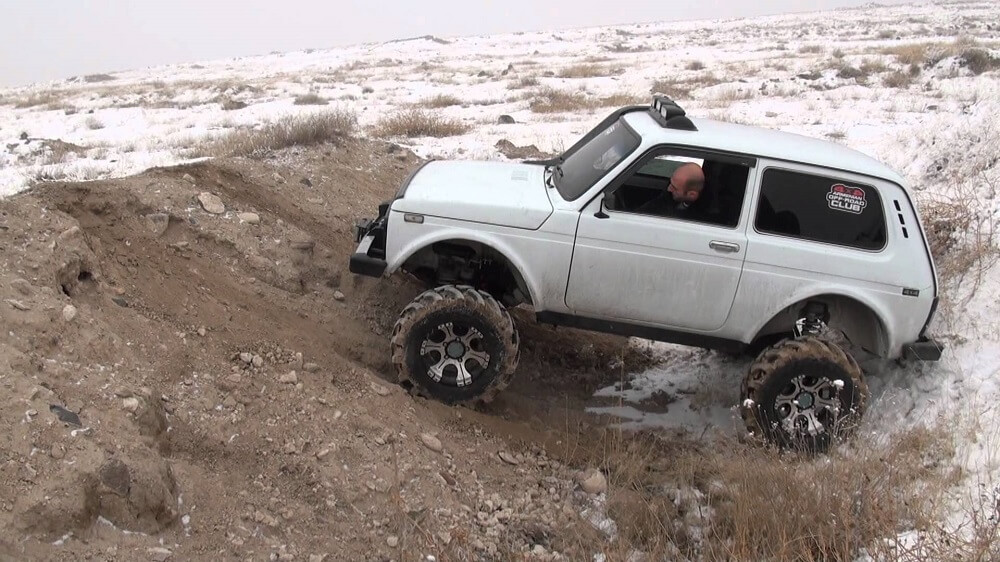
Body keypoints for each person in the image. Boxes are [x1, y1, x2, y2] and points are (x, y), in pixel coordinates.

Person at [634, 162, 706, 219]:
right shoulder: (669, 196)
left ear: (692, 195)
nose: (668, 188)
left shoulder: (698, 220)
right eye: (670, 183)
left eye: (674, 188)